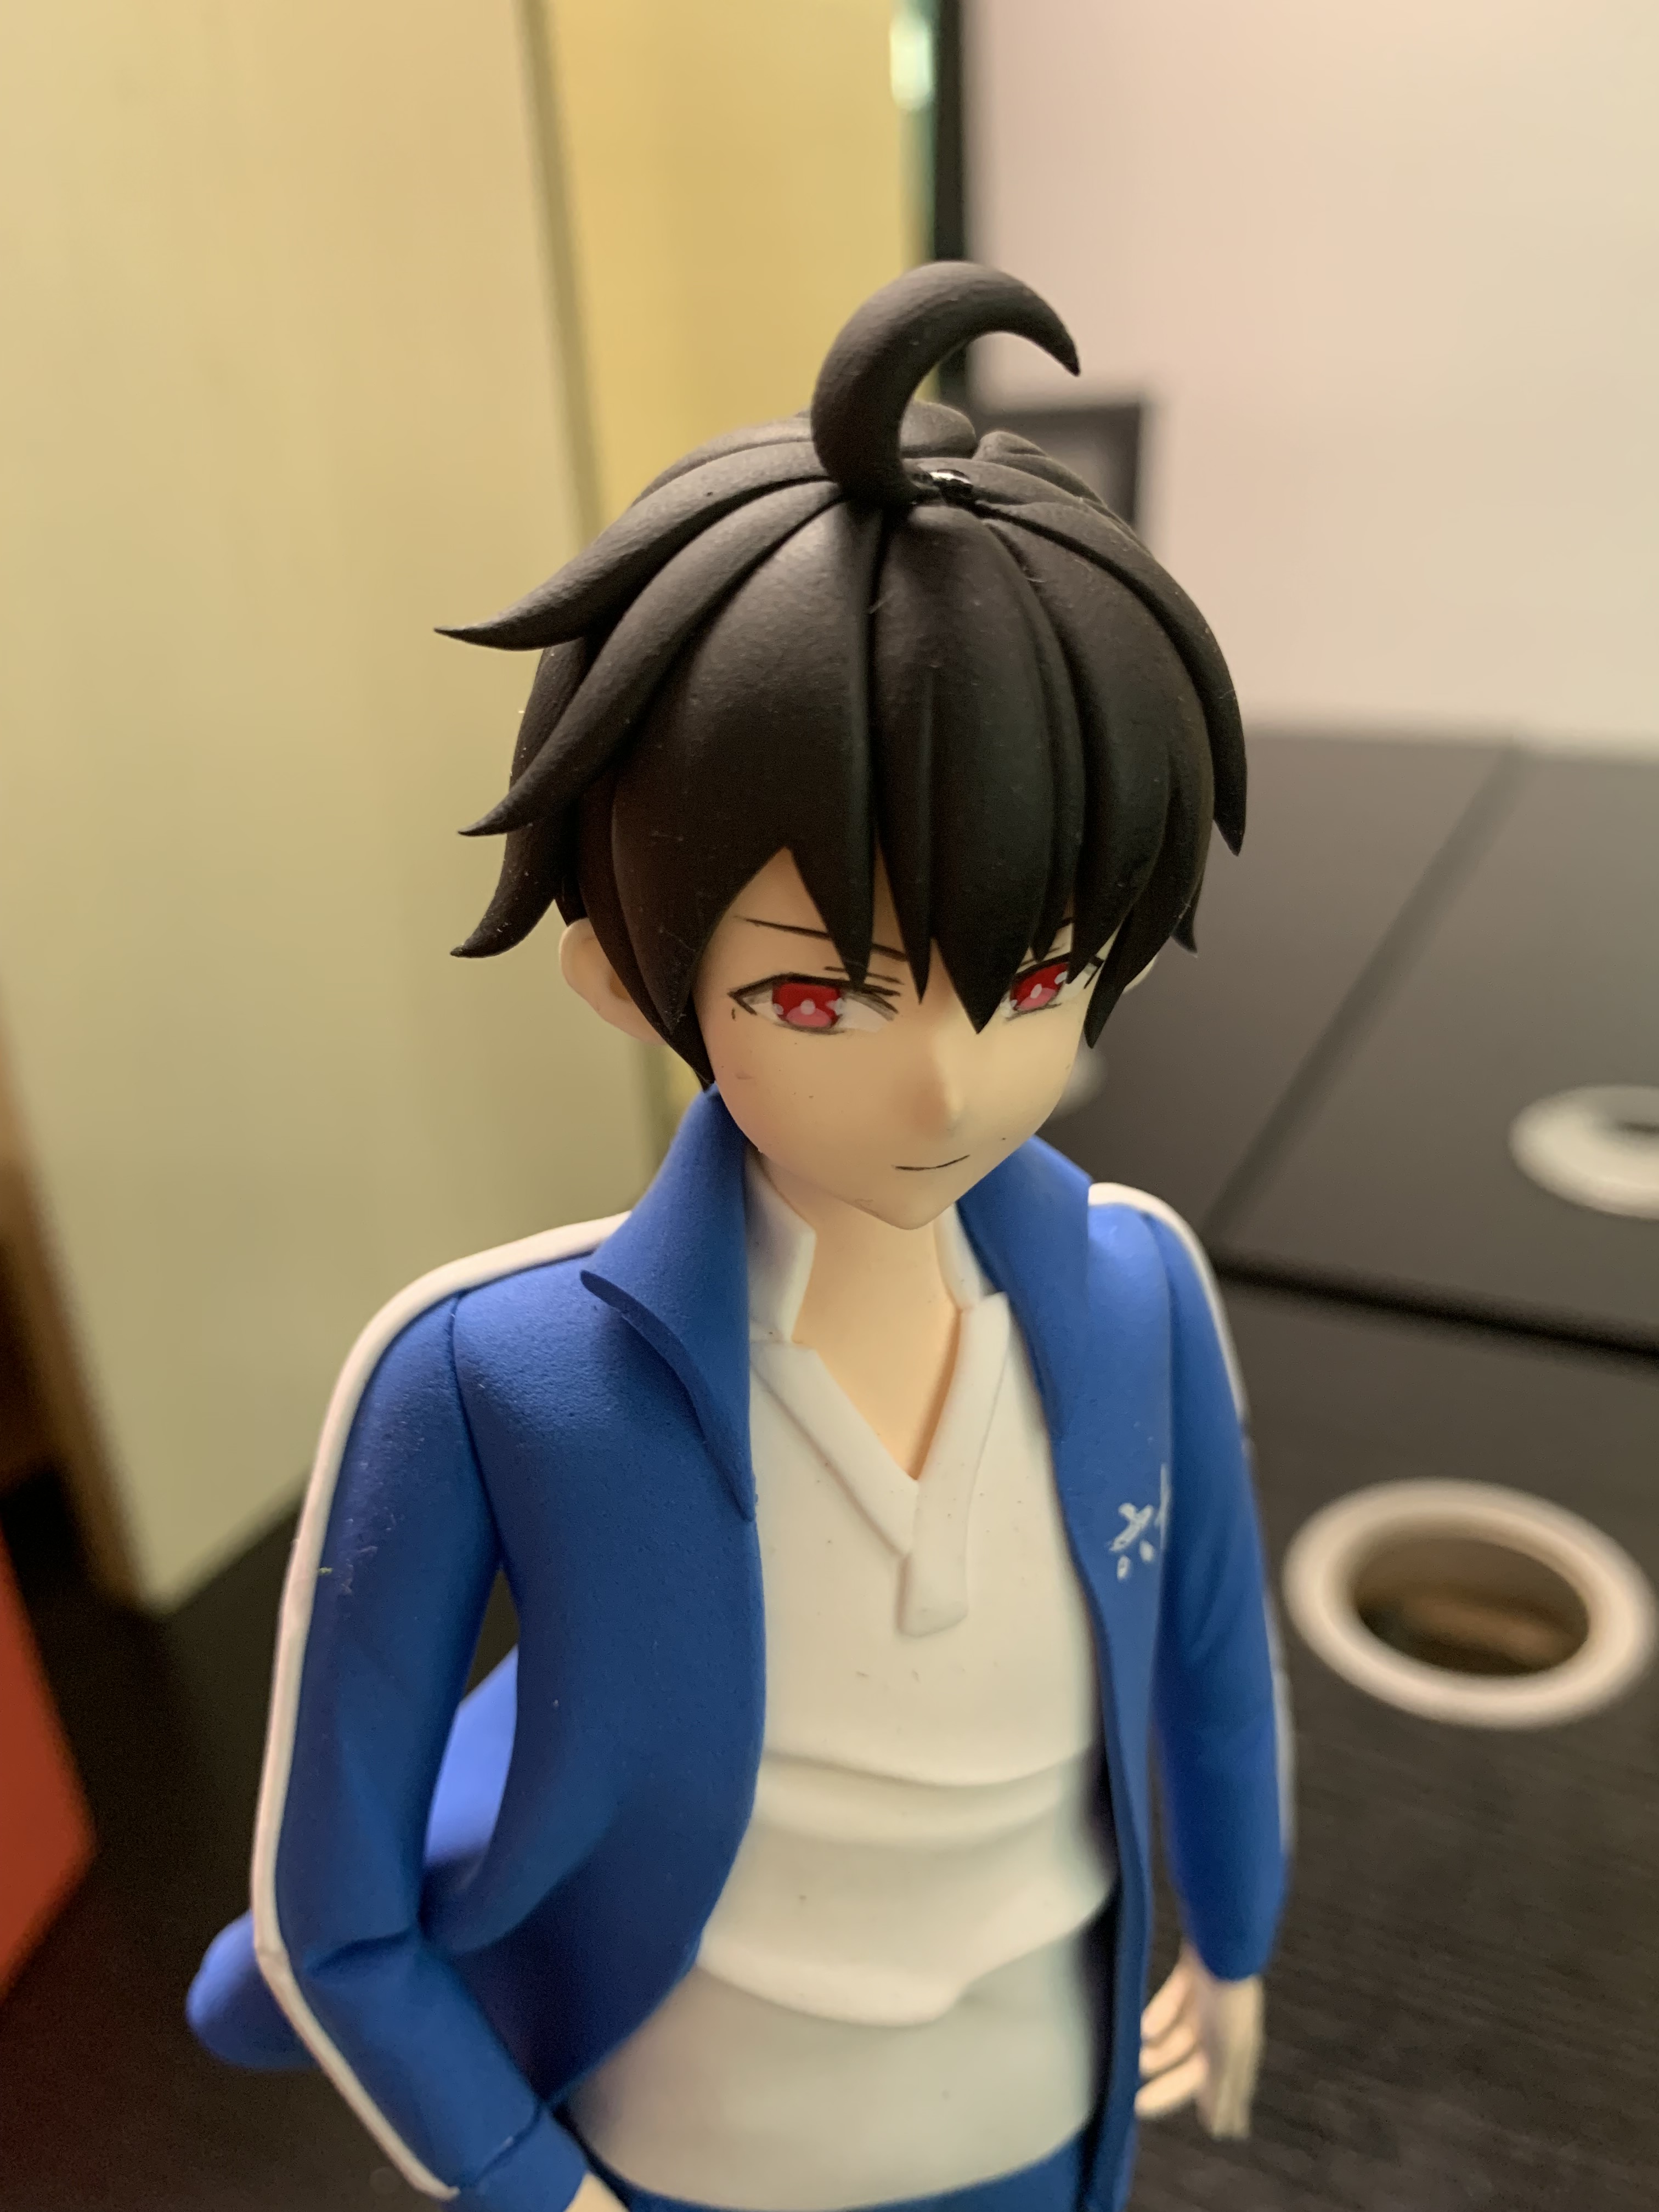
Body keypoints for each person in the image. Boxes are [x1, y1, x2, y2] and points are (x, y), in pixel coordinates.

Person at [189, 263, 1288, 2212]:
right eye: (817, 995)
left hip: (1048, 2126)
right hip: (682, 2154)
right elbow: (328, 1916)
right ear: (625, 975)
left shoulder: (1137, 1295)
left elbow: (1210, 1656)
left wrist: (1245, 1939)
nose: (945, 1087)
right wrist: (528, 2182)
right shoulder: (490, 1378)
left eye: (1038, 977)